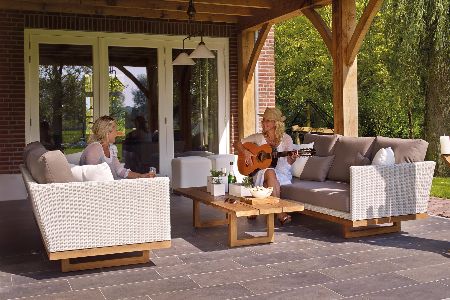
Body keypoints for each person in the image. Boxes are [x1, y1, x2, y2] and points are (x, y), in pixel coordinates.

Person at [234, 107, 297, 225]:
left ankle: (256, 209)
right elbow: (237, 143)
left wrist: (292, 158)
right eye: (263, 120)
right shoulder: (258, 137)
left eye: (267, 121)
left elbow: (289, 162)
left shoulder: (287, 139)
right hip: (261, 172)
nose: (263, 123)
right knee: (269, 171)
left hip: (282, 174)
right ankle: (280, 213)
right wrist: (245, 152)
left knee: (268, 181)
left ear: (275, 123)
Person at [80, 116, 155, 179]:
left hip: (113, 189)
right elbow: (92, 178)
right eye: (115, 130)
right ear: (107, 132)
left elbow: (120, 170)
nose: (117, 133)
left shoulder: (111, 148)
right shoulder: (94, 149)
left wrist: (141, 176)